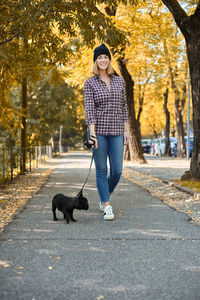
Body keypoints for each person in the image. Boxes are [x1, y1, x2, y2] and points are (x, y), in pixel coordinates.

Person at [84, 43, 129, 221]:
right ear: (95, 61)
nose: (102, 60)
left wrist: (127, 131)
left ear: (109, 60)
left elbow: (125, 106)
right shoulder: (90, 83)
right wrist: (92, 134)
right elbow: (89, 109)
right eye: (99, 58)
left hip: (117, 130)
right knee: (101, 170)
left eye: (105, 57)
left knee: (117, 170)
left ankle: (105, 195)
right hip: (99, 132)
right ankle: (107, 206)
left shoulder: (119, 81)